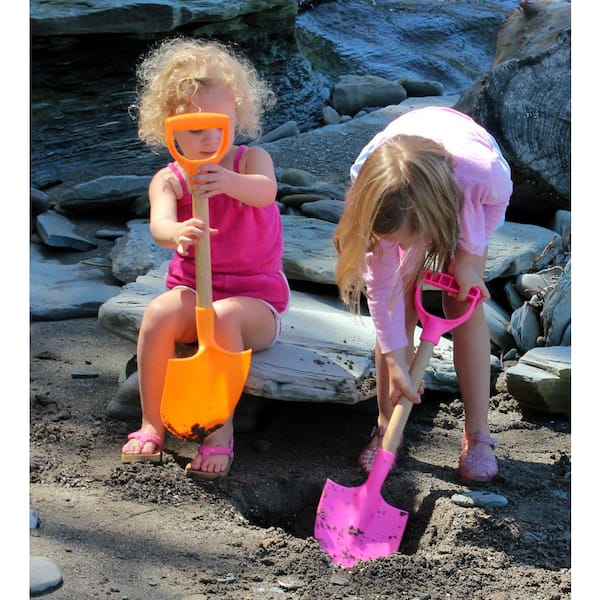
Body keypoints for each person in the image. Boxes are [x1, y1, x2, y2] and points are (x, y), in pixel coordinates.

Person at [120, 37, 290, 478]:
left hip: (256, 302)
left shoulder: (252, 161)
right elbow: (158, 225)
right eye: (196, 130)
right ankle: (151, 422)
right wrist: (176, 231)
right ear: (170, 128)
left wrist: (230, 182)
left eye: (222, 126)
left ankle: (219, 432)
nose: (210, 138)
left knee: (223, 316)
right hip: (192, 291)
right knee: (157, 314)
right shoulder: (170, 179)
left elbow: (266, 193)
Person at [334, 106, 512, 483]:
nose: (402, 246)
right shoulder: (369, 194)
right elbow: (380, 294)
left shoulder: (483, 176)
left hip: (464, 182)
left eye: (408, 239)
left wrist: (466, 258)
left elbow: (497, 202)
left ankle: (478, 434)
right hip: (402, 167)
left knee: (464, 299)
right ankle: (387, 428)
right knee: (398, 301)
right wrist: (398, 362)